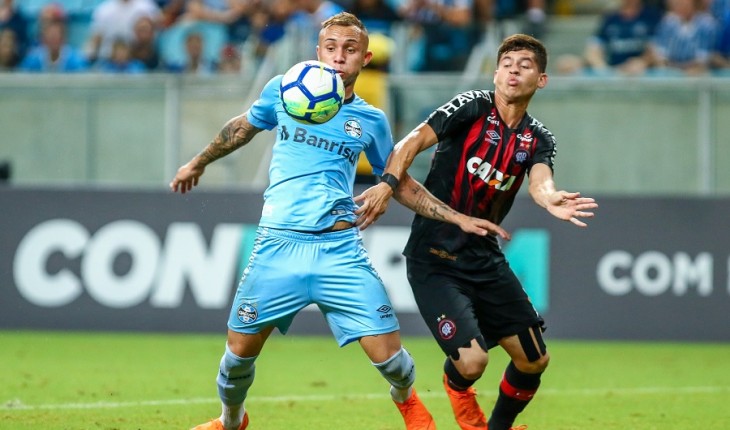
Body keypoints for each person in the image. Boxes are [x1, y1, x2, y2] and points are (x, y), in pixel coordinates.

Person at [170, 11, 500, 430]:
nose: (339, 56)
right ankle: (231, 420)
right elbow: (242, 127)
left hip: (338, 250)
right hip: (278, 245)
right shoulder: (285, 91)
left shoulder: (371, 120)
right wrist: (198, 162)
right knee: (236, 357)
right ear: (318, 52)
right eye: (331, 47)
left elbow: (397, 181)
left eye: (350, 49)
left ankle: (407, 401)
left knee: (393, 362)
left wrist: (457, 218)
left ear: (365, 58)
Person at [356, 33, 598, 430]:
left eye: (525, 65)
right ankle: (458, 388)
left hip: (484, 258)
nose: (514, 71)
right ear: (496, 73)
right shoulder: (471, 106)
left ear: (541, 80)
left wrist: (550, 198)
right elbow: (411, 142)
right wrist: (387, 183)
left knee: (534, 359)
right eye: (507, 64)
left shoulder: (538, 138)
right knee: (472, 363)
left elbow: (540, 181)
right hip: (434, 257)